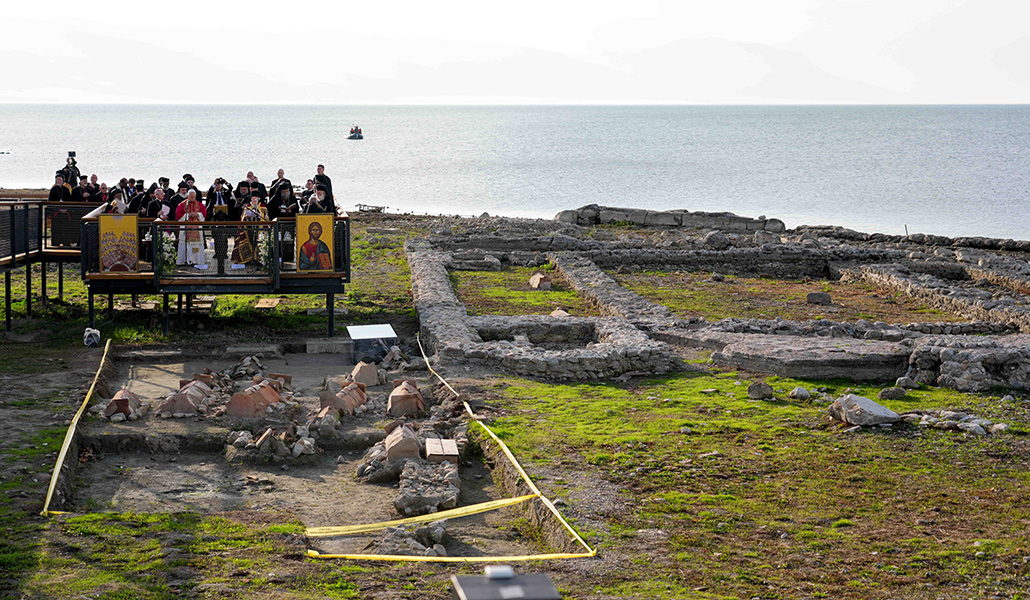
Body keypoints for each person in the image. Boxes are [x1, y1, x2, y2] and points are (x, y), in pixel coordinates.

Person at [175, 191, 207, 267]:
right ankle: (184, 261)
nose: (193, 198)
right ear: (188, 196)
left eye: (194, 197)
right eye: (192, 197)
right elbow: (178, 216)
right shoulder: (182, 205)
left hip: (197, 229)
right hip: (186, 229)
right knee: (184, 245)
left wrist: (197, 214)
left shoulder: (200, 205)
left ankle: (196, 260)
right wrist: (188, 215)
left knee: (197, 245)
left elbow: (204, 214)